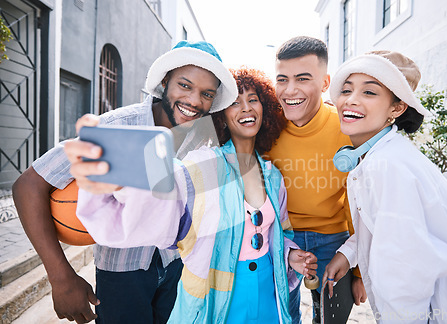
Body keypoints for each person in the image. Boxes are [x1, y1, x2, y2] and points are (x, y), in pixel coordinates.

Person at [12, 40, 238, 324]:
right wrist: (61, 277)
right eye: (184, 85)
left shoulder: (199, 137)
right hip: (122, 274)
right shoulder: (118, 127)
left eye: (206, 93)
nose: (194, 101)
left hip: (176, 268)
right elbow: (28, 184)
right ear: (165, 81)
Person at [71, 67, 318, 323]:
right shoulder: (204, 165)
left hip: (269, 293)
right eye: (235, 102)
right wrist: (113, 163)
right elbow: (167, 186)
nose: (246, 108)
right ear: (221, 116)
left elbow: (281, 233)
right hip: (218, 300)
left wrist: (291, 255)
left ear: (264, 109)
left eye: (252, 99)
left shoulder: (273, 176)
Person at [324, 50, 447, 322]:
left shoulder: (387, 166)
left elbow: (404, 273)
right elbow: (384, 227)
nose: (351, 100)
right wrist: (348, 254)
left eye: (369, 92)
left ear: (396, 108)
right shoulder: (383, 155)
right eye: (346, 90)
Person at [265, 36, 366, 323]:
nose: (290, 90)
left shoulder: (347, 128)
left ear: (325, 83)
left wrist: (359, 271)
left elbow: (357, 202)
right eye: (282, 79)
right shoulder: (266, 127)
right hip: (282, 239)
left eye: (302, 78)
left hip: (334, 240)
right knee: (283, 316)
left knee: (329, 319)